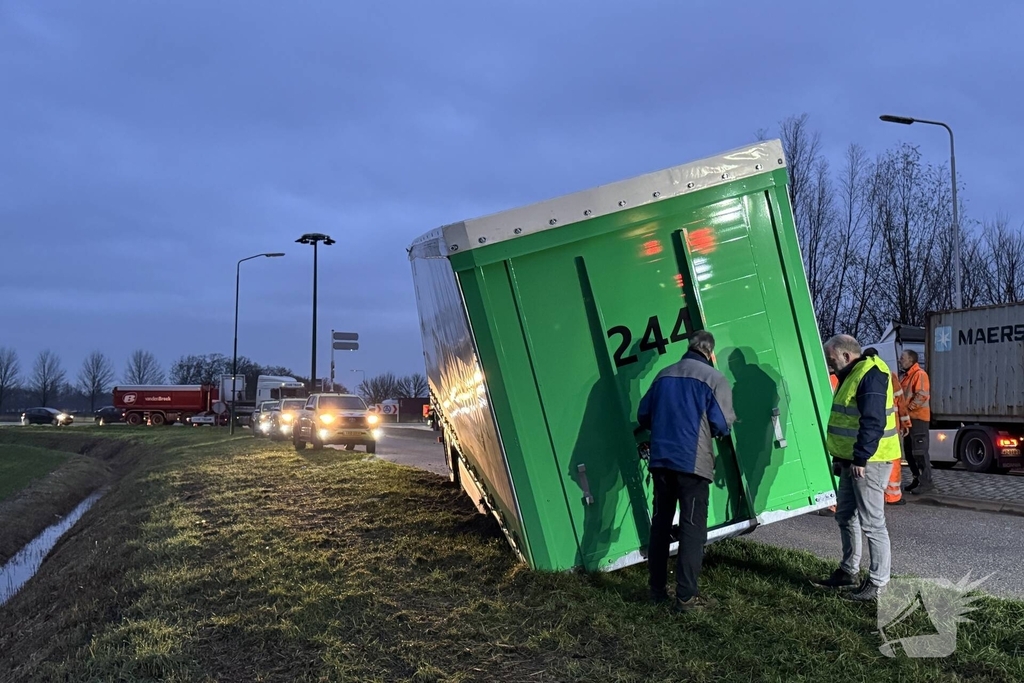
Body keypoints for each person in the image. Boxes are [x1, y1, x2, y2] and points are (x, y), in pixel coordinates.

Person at [637, 330, 735, 613]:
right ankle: (686, 598)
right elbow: (721, 425)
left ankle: (656, 590)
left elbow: (644, 415)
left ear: (689, 348)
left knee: (660, 526)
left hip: (661, 462)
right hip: (693, 466)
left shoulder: (663, 375)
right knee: (693, 530)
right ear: (710, 353)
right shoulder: (714, 379)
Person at [812, 335, 901, 601]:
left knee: (873, 524)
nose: (830, 366)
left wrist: (860, 458)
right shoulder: (855, 373)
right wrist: (843, 457)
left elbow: (872, 421)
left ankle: (878, 584)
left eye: (832, 360)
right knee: (845, 516)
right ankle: (848, 571)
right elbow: (849, 421)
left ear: (846, 356)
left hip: (869, 461)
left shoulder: (869, 374)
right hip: (854, 460)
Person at [900, 350, 933, 494]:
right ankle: (917, 479)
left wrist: (907, 409)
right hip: (909, 419)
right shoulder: (907, 376)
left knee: (919, 452)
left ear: (911, 360)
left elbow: (922, 395)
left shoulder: (919, 374)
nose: (900, 360)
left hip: (918, 418)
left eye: (902, 358)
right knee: (910, 452)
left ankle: (926, 482)